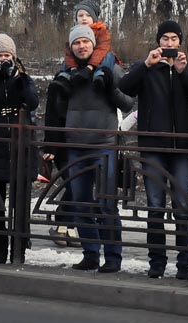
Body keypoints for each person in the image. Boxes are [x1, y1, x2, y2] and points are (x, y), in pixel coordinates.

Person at [42, 25, 134, 273]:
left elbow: (127, 103)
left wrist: (110, 87)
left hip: (104, 144)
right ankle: (90, 254)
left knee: (106, 204)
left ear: (93, 44)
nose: (81, 46)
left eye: (85, 42)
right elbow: (57, 109)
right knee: (81, 203)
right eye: (76, 43)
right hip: (75, 146)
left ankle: (113, 258)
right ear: (71, 47)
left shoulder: (110, 67)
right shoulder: (66, 71)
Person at [118, 20, 188, 280]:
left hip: (181, 148)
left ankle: (185, 264)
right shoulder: (146, 68)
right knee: (155, 205)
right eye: (164, 39)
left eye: (173, 39)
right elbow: (124, 88)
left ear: (180, 42)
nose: (168, 44)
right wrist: (146, 65)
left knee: (182, 204)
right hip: (153, 146)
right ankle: (157, 262)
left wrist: (183, 71)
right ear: (158, 42)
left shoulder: (187, 67)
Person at [0, 33, 39, 264]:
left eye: (7, 55)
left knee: (21, 201)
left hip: (20, 145)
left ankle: (19, 248)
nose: (4, 60)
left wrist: (16, 79)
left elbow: (32, 101)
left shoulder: (23, 77)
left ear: (14, 57)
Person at [51, 0, 116, 93]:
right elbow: (69, 51)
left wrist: (90, 67)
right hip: (81, 57)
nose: (84, 18)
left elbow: (101, 49)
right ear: (76, 19)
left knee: (109, 56)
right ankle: (64, 79)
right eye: (80, 15)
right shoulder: (74, 32)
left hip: (99, 57)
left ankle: (100, 75)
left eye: (88, 15)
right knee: (68, 60)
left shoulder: (101, 31)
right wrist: (73, 69)